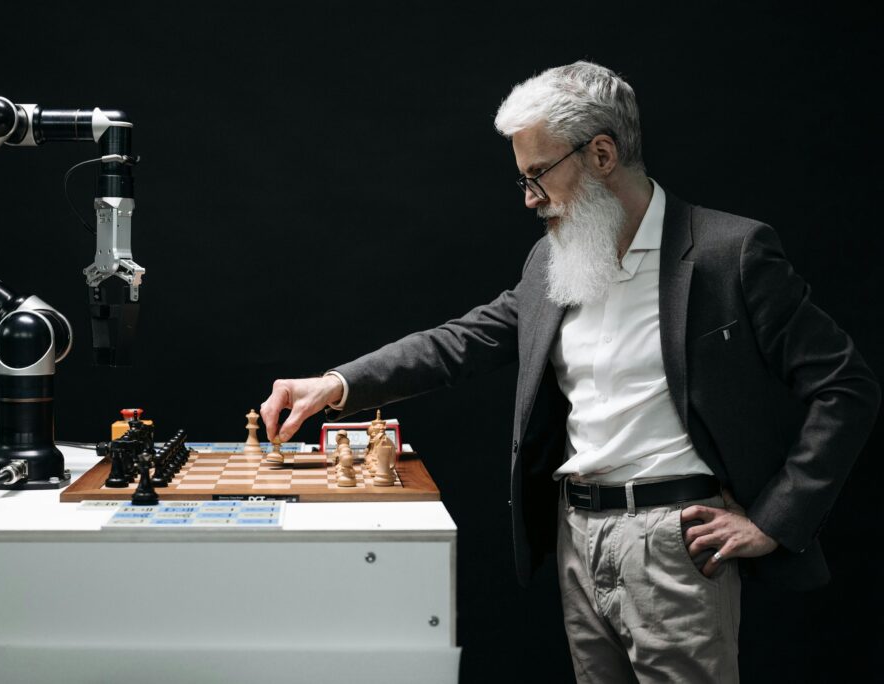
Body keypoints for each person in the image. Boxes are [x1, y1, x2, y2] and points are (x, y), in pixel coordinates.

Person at [259, 61, 880, 682]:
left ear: (602, 154)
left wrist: (773, 520)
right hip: (576, 538)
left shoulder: (729, 253)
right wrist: (335, 384)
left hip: (676, 546)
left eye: (537, 175)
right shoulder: (552, 261)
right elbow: (460, 342)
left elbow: (846, 386)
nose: (529, 198)